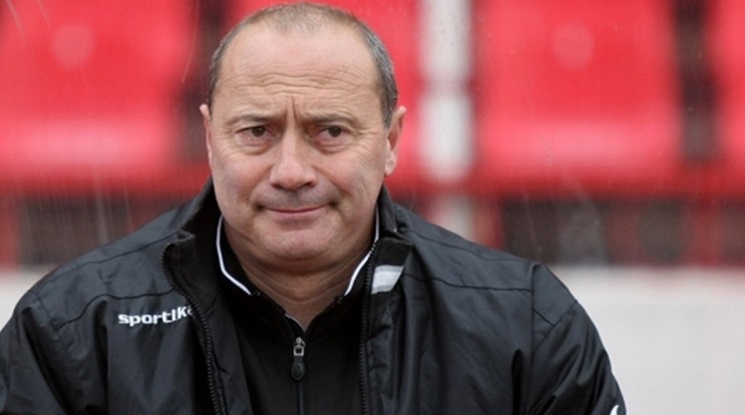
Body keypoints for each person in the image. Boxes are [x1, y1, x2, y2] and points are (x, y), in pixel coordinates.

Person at [0, 3, 625, 414]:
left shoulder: (525, 327)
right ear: (210, 139)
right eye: (257, 132)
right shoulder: (75, 332)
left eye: (330, 132)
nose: (292, 172)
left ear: (390, 141)